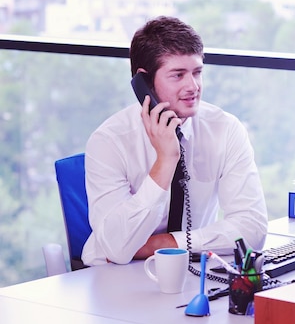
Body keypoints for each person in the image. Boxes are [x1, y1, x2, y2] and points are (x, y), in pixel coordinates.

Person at [81, 16, 268, 266]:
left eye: (197, 72)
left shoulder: (226, 129)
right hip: (112, 275)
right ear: (144, 82)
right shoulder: (109, 141)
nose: (193, 86)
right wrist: (166, 160)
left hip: (188, 269)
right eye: (178, 75)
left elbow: (253, 229)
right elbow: (117, 249)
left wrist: (166, 244)